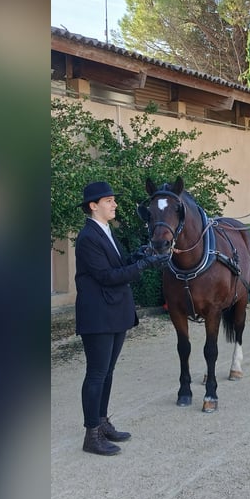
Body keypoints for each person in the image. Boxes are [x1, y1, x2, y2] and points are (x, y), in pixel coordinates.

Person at [75, 181, 169, 456]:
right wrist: (143, 265)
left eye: (113, 200)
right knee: (96, 374)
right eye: (109, 201)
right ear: (93, 206)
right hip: (98, 314)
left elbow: (116, 265)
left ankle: (102, 422)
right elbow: (106, 277)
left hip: (114, 311)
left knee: (108, 372)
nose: (114, 204)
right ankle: (91, 434)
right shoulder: (88, 237)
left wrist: (137, 255)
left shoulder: (105, 231)